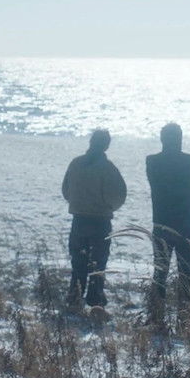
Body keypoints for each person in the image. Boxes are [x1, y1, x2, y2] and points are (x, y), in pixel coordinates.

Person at [61, 129, 126, 310]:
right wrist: (107, 206)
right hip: (100, 221)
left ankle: (75, 295)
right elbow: (118, 195)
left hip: (79, 219)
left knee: (78, 260)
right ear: (106, 145)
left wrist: (77, 203)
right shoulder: (107, 168)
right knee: (98, 262)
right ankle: (95, 298)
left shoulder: (76, 163)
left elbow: (66, 190)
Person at [146, 122, 190, 326]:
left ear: (162, 139)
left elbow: (159, 186)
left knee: (161, 271)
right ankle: (184, 318)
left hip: (162, 223)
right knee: (185, 273)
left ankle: (157, 315)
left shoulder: (153, 162)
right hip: (185, 223)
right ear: (180, 139)